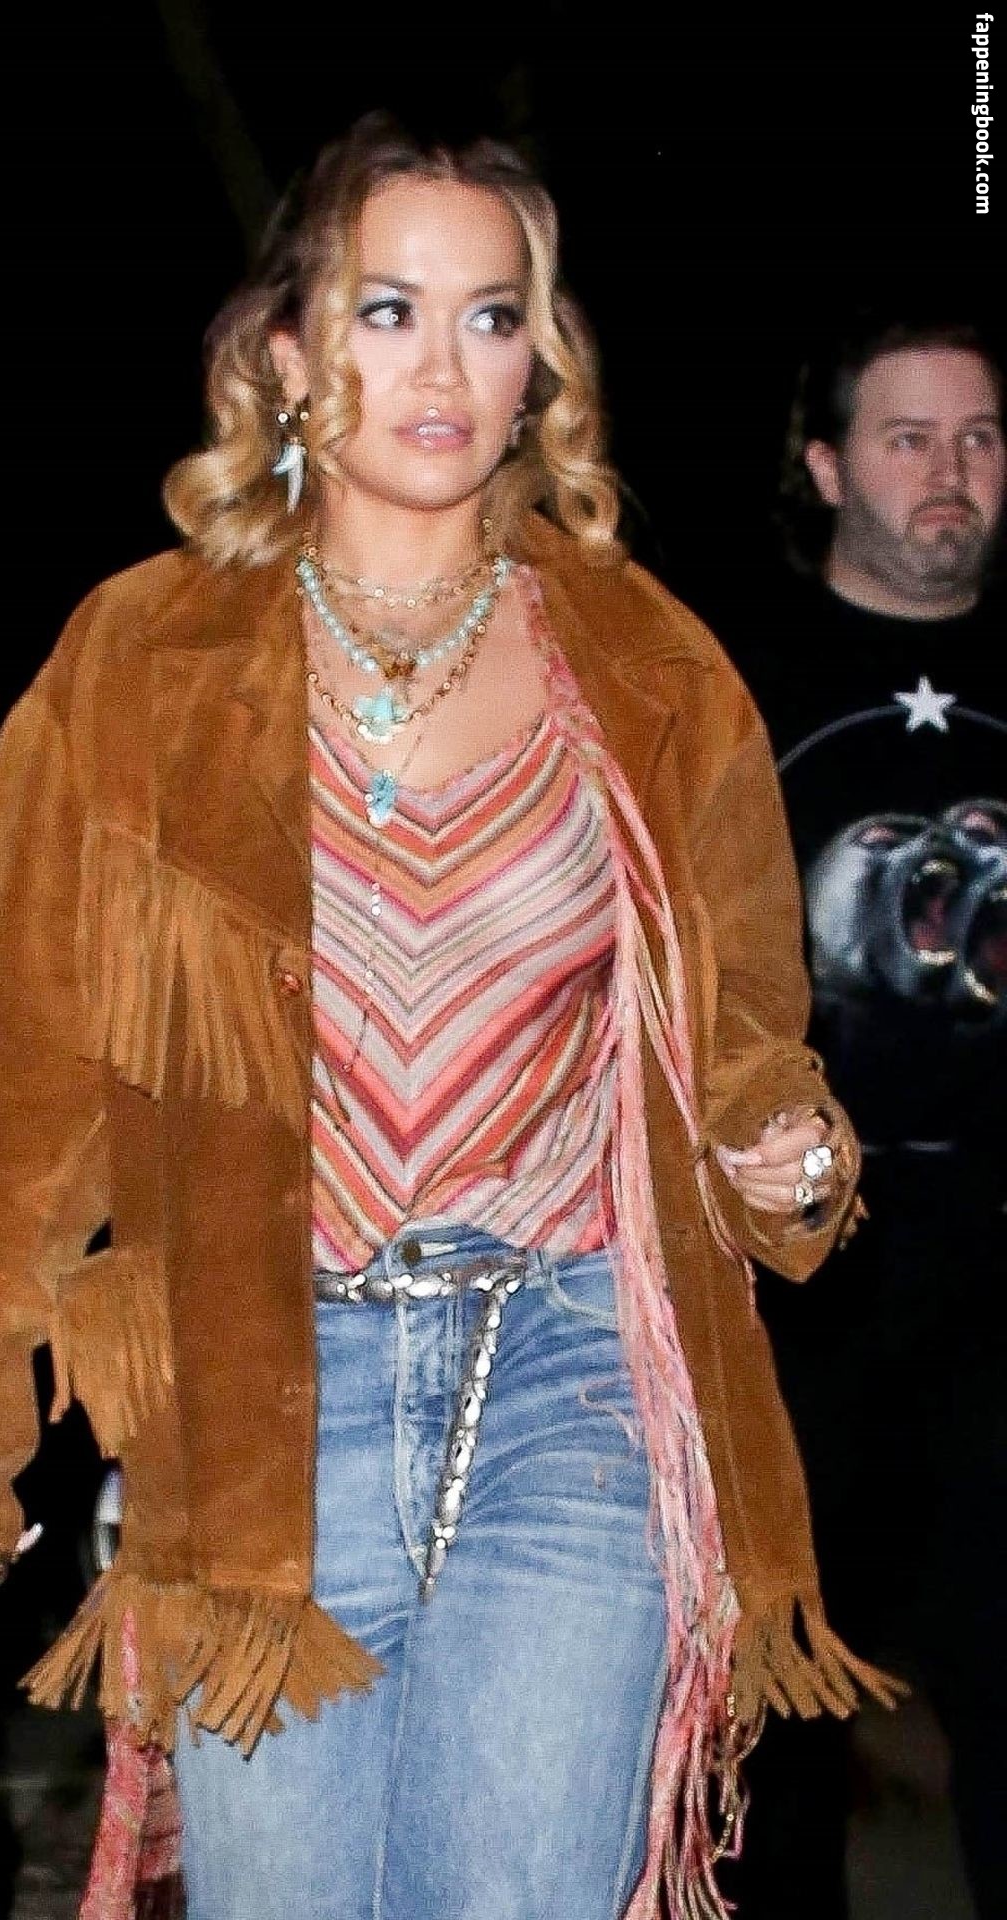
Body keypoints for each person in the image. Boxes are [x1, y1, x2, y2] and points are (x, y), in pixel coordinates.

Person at [0, 114, 894, 1920]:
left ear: (538, 364)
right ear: (287, 352)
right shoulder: (140, 662)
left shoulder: (650, 666)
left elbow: (741, 1034)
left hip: (574, 1373)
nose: (443, 368)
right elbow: (16, 1089)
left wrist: (780, 1141)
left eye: (492, 318)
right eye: (387, 310)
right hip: (268, 1403)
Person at [715, 318, 1006, 1920]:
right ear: (826, 467)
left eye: (979, 436)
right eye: (908, 437)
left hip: (1003, 1275)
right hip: (801, 1281)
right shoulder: (723, 687)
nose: (950, 470)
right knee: (778, 1723)